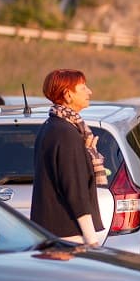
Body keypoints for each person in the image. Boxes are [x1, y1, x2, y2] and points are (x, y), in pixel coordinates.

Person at [31, 69, 105, 247]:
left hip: (51, 231)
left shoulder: (51, 126)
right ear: (68, 95)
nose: (89, 92)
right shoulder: (66, 133)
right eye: (83, 88)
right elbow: (74, 188)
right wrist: (91, 239)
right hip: (69, 235)